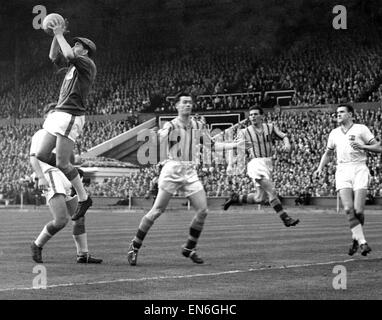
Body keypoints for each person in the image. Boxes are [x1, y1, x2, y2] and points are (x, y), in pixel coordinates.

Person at [127, 92, 211, 265]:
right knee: (157, 211)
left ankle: (189, 247)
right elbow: (159, 139)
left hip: (189, 171)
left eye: (190, 102)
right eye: (184, 102)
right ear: (177, 106)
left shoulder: (197, 124)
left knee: (203, 210)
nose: (188, 105)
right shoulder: (171, 125)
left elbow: (213, 145)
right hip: (172, 169)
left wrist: (236, 145)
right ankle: (134, 246)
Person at [34, 17, 96, 221]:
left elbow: (67, 52)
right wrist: (55, 35)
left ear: (85, 50)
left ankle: (84, 197)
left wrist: (60, 33)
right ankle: (73, 171)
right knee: (42, 154)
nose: (74, 45)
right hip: (59, 113)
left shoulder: (86, 63)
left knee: (61, 162)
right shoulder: (72, 67)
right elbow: (54, 55)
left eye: (78, 44)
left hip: (71, 114)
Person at [30, 104, 102, 264]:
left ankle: (83, 254)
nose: (56, 115)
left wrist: (77, 163)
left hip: (65, 178)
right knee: (61, 220)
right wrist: (40, 177)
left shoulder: (64, 135)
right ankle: (37, 244)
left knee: (79, 217)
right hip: (51, 175)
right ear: (46, 117)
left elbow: (70, 160)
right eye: (52, 113)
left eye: (58, 112)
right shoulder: (42, 134)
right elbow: (34, 157)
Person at [313, 104, 378, 256]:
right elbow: (328, 154)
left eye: (342, 112)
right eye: (337, 113)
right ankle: (363, 242)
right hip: (342, 170)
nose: (338, 115)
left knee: (359, 210)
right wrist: (319, 168)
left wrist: (363, 146)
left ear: (350, 114)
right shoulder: (334, 133)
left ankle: (356, 238)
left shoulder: (361, 129)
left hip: (359, 168)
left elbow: (378, 147)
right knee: (348, 209)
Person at [222, 106, 300, 227]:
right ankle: (286, 218)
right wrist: (231, 164)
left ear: (261, 116)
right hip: (256, 163)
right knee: (271, 191)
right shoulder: (245, 132)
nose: (252, 116)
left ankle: (236, 198)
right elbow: (233, 146)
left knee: (259, 198)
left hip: (268, 163)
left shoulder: (270, 127)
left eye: (255, 114)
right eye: (251, 114)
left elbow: (283, 136)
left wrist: (287, 144)